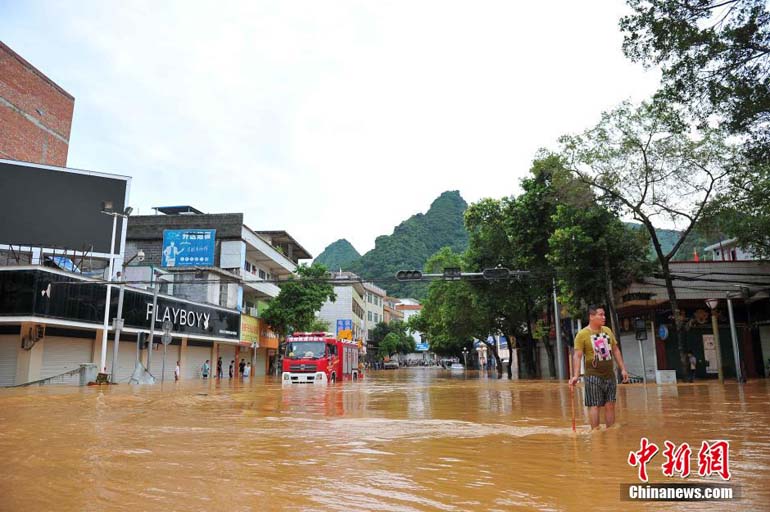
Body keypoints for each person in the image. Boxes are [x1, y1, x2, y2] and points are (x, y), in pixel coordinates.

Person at [569, 305, 629, 429]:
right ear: (591, 317)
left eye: (604, 314)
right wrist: (575, 375)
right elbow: (577, 356)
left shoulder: (607, 331)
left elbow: (616, 350)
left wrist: (623, 369)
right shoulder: (582, 334)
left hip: (609, 374)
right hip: (593, 375)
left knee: (610, 404)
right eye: (600, 315)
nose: (604, 317)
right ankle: (595, 432)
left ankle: (611, 432)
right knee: (595, 405)